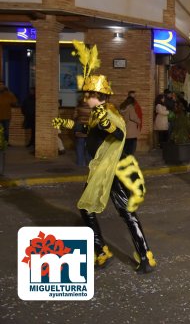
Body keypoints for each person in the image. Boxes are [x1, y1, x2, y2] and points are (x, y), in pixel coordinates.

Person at [51, 40, 155, 273]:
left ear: (95, 95)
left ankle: (138, 255)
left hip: (111, 170)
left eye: (87, 94)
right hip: (102, 169)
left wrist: (108, 125)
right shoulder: (98, 113)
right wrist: (69, 124)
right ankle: (109, 252)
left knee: (122, 213)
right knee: (96, 210)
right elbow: (92, 132)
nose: (85, 98)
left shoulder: (109, 113)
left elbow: (119, 133)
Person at [73, 96, 91, 166]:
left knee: (80, 145)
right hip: (90, 128)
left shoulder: (78, 106)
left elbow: (74, 116)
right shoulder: (92, 107)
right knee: (89, 146)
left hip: (80, 128)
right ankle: (89, 162)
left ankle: (81, 163)